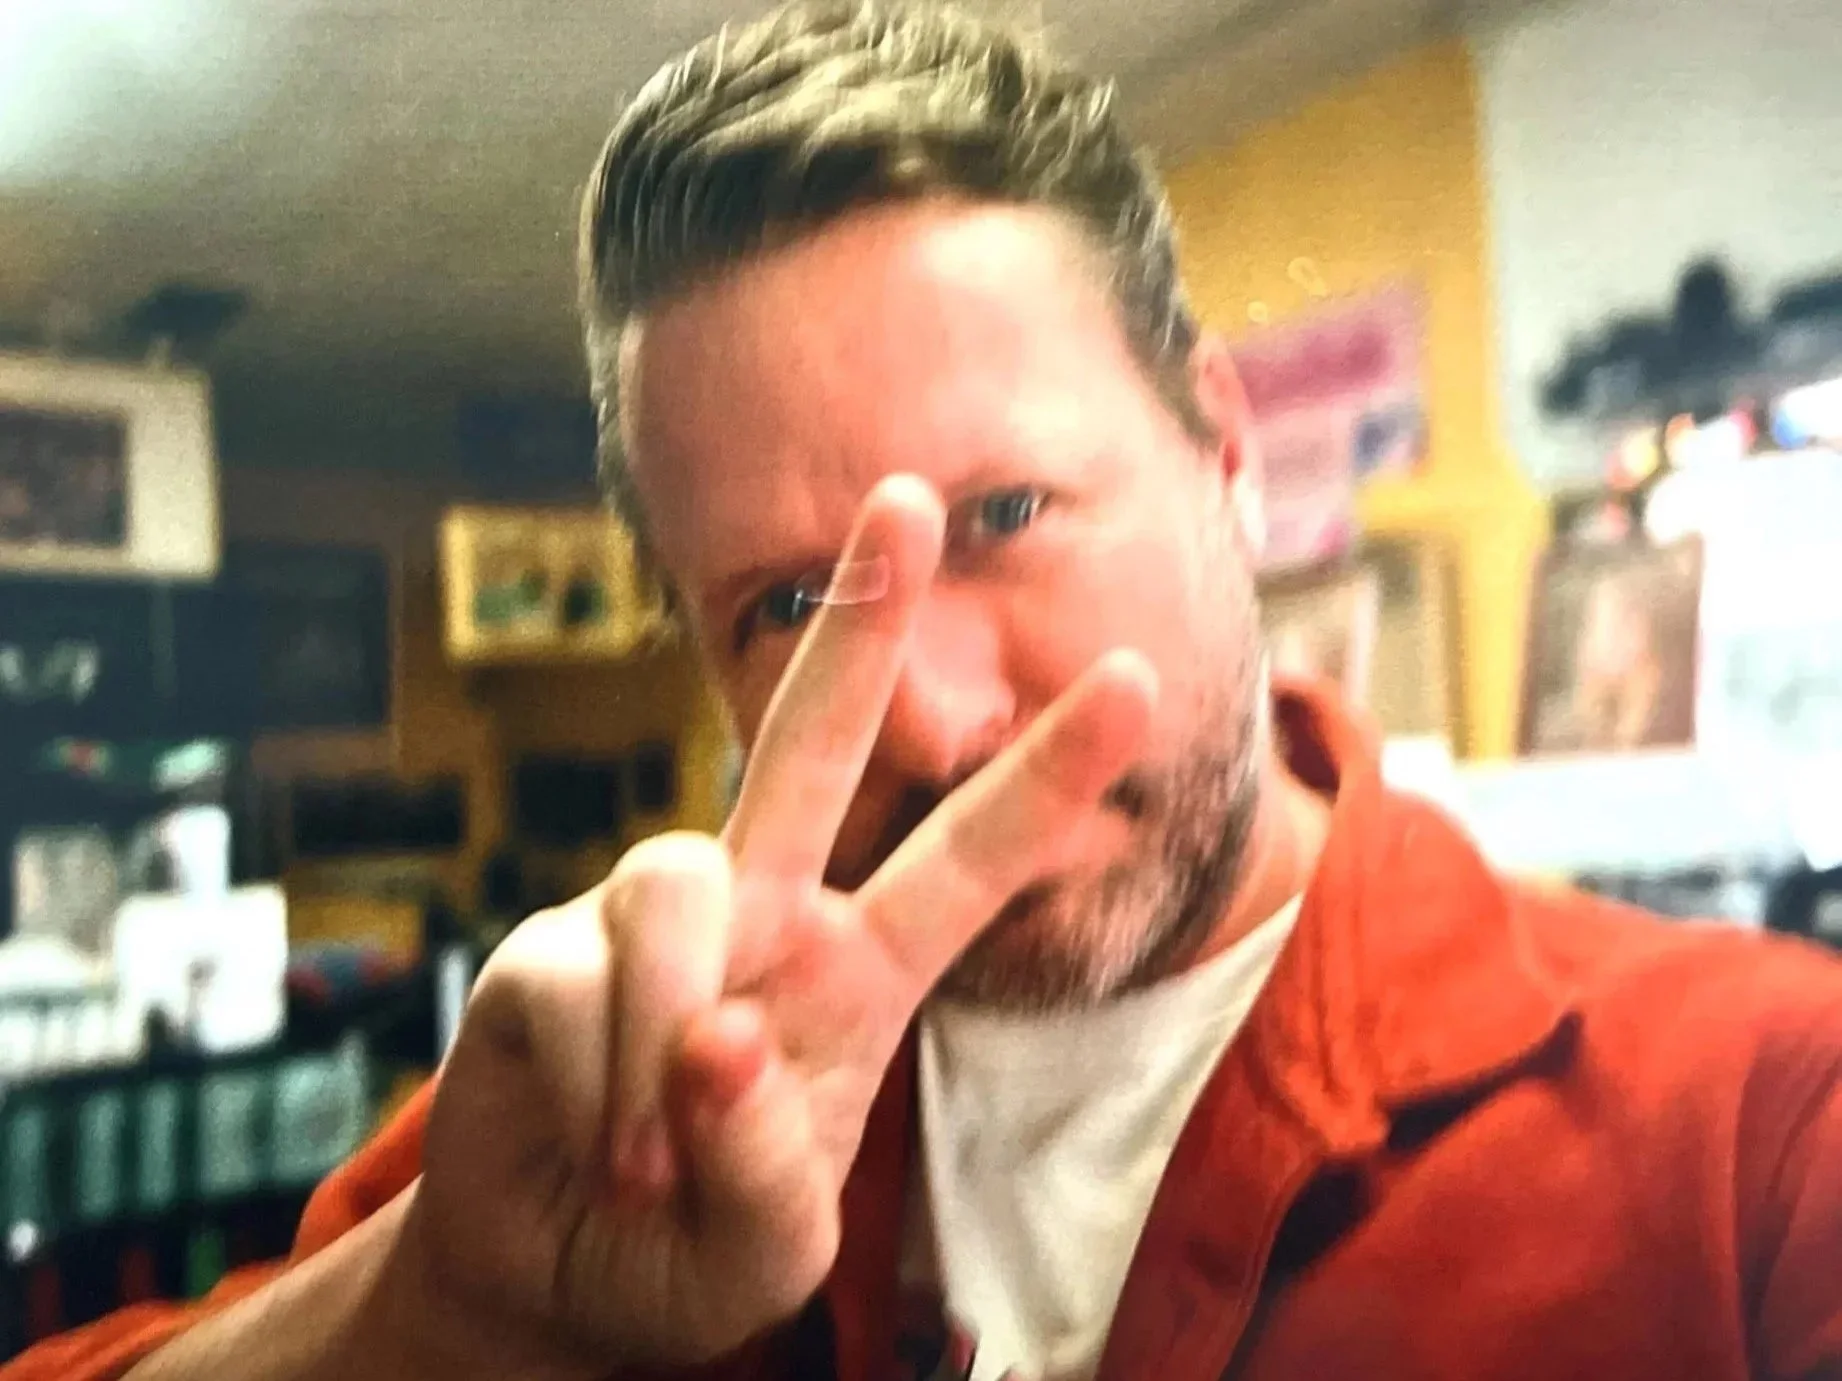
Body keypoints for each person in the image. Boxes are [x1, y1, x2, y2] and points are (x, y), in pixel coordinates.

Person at [15, 4, 1842, 1379]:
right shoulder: (665, 1082)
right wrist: (439, 1308)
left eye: (1005, 514)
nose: (935, 718)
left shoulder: (1755, 1125)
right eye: (786, 602)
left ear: (1223, 451)